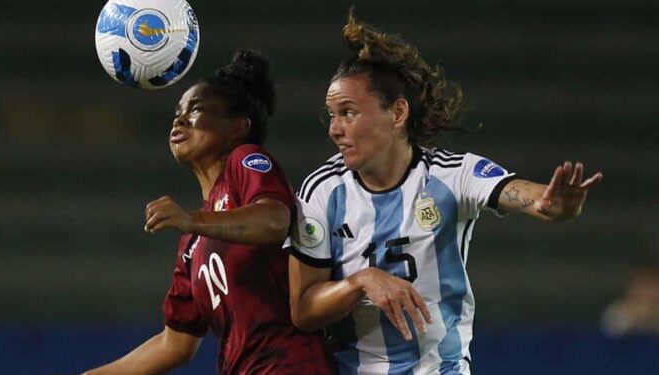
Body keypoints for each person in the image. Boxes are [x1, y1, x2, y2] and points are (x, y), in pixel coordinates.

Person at [285, 11, 604, 375]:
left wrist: (553, 205)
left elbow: (526, 195)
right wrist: (361, 281)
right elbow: (304, 311)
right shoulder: (321, 191)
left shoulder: (452, 176)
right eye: (331, 115)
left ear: (397, 112)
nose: (335, 130)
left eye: (348, 113)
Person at [83, 50, 333, 374]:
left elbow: (274, 220)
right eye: (178, 112)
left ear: (238, 127)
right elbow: (175, 344)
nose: (180, 119)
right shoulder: (193, 242)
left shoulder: (246, 161)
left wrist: (192, 220)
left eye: (196, 109)